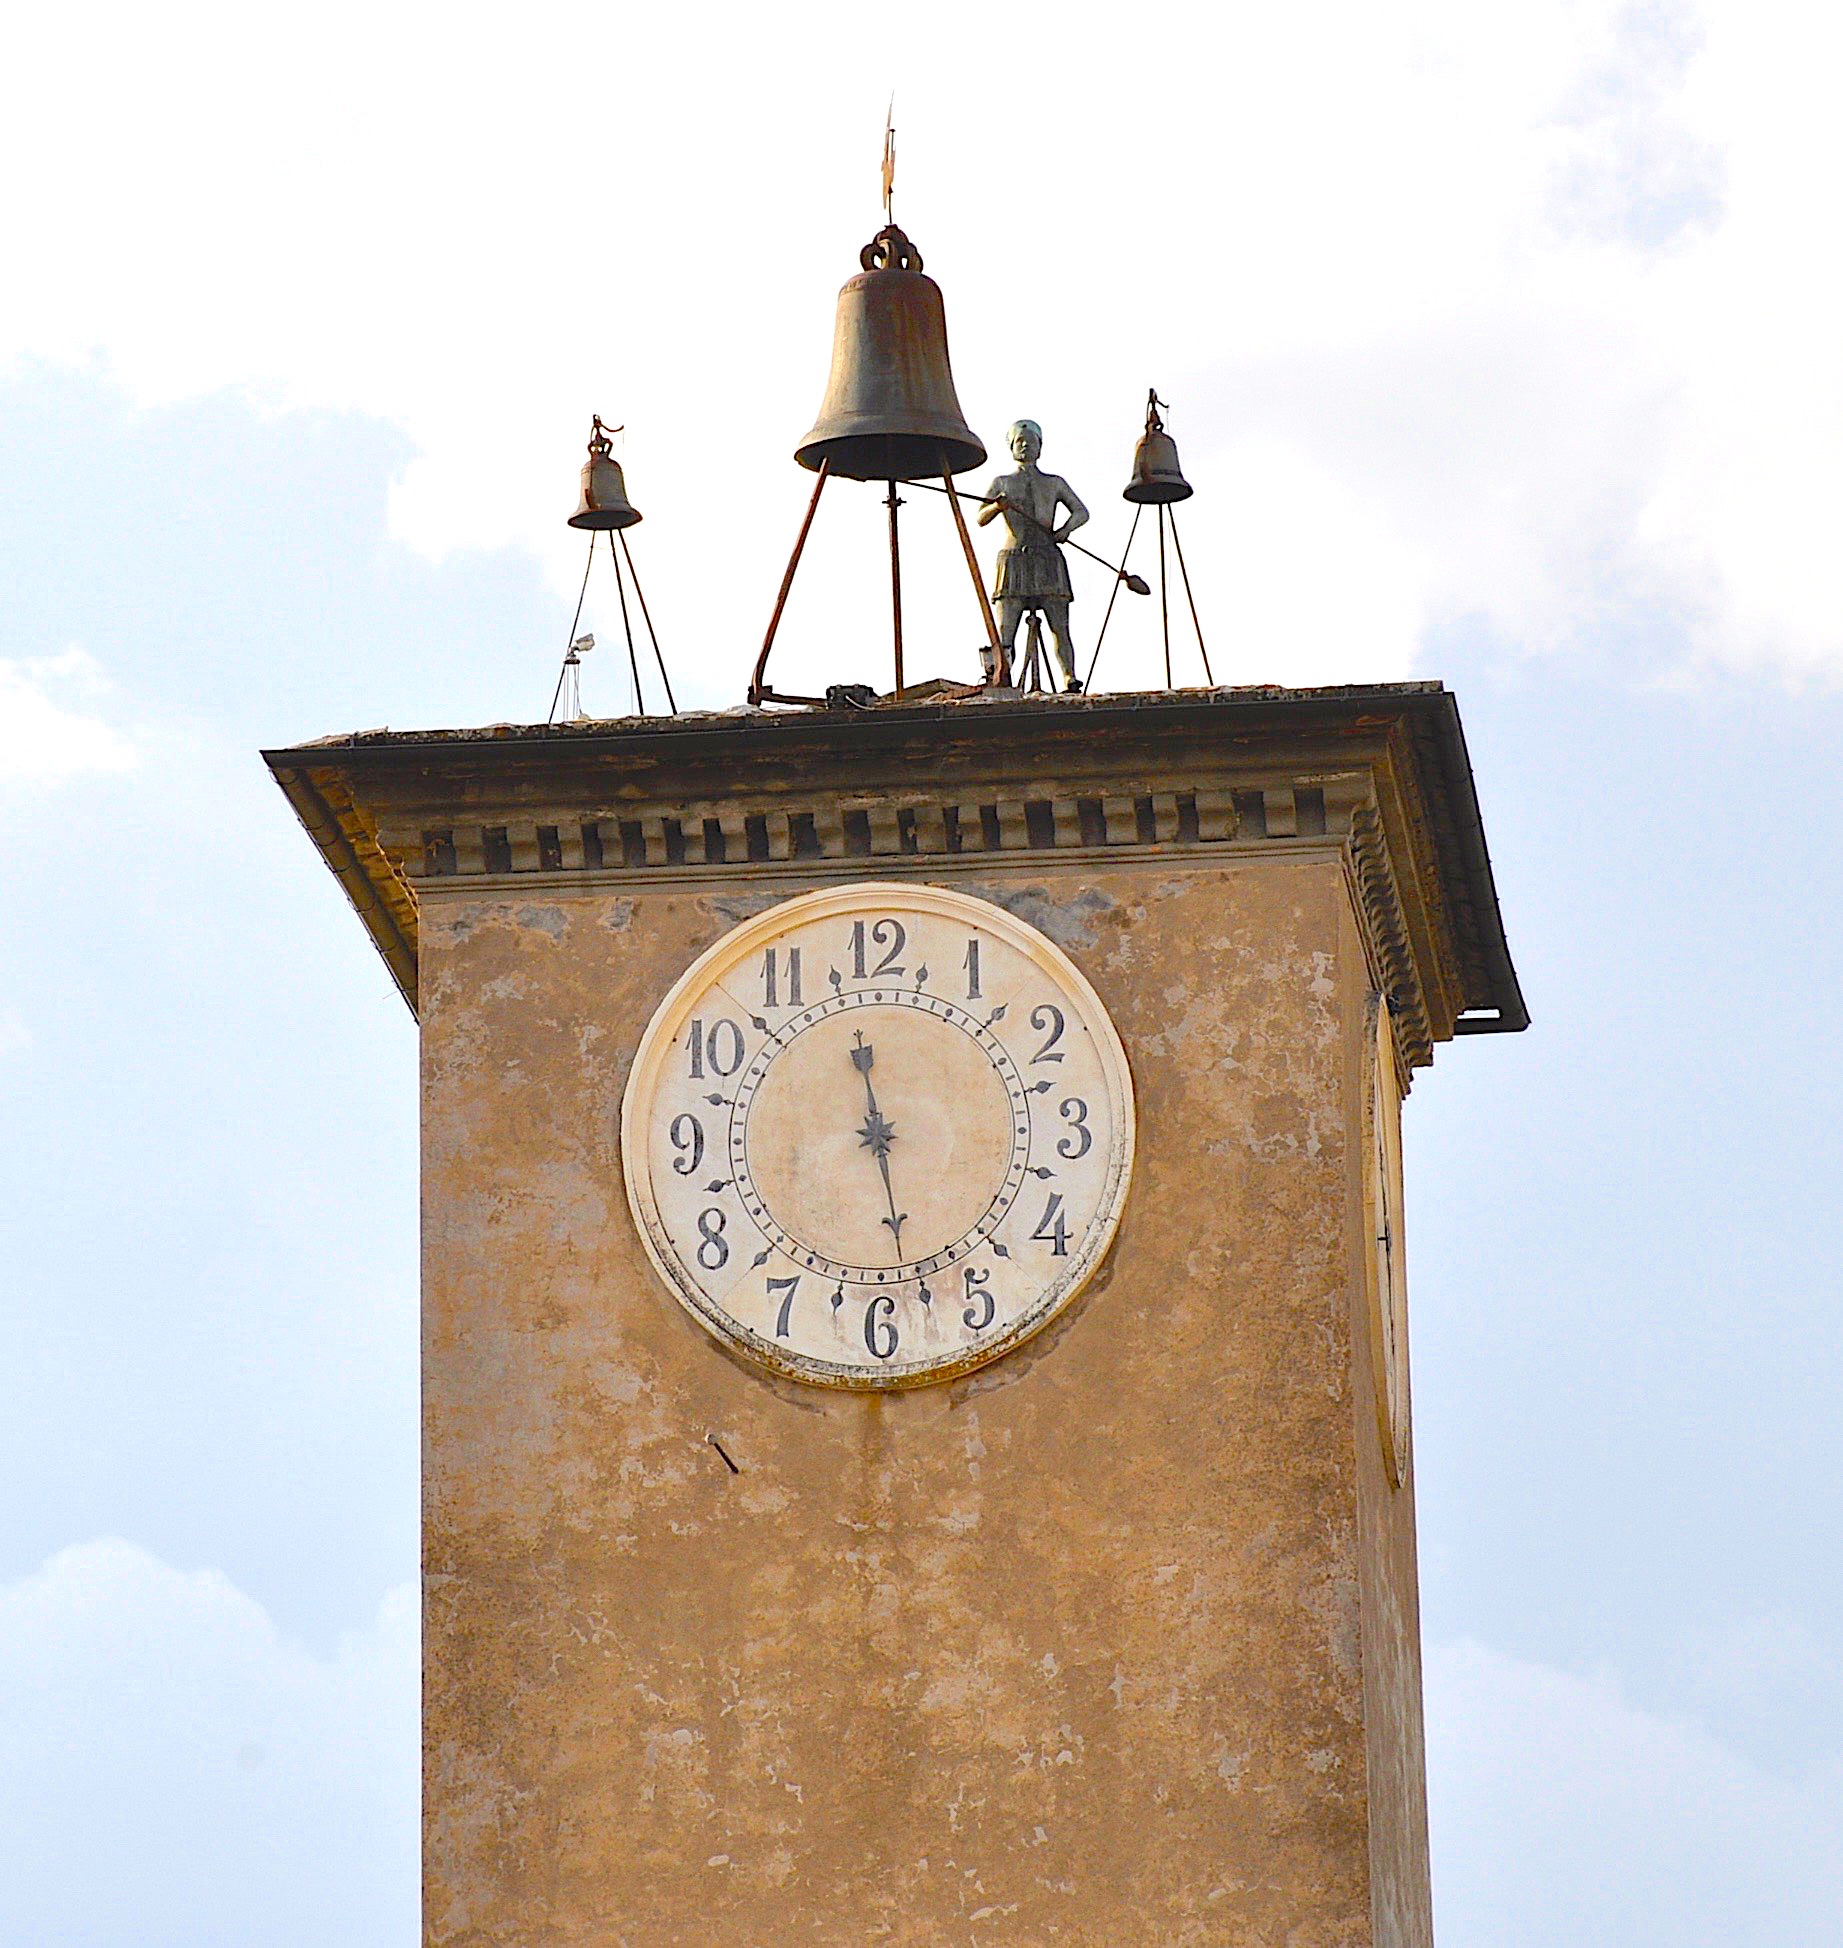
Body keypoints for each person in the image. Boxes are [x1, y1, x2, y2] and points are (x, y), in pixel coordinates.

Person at [976, 420, 1089, 691]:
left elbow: (1081, 512)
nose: (1026, 445)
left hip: (1048, 558)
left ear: (1040, 447)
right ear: (1012, 448)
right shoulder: (1002, 483)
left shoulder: (1054, 483)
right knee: (1006, 629)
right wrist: (996, 506)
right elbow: (980, 517)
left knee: (1059, 626)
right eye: (1019, 442)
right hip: (1014, 560)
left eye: (1031, 441)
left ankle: (1069, 677)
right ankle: (1001, 677)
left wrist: (1065, 530)